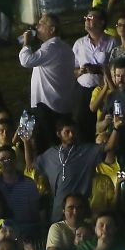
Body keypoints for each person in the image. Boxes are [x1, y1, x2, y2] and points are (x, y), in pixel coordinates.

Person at [19, 14, 76, 149]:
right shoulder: (64, 47)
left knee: (45, 145)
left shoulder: (51, 48)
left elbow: (26, 60)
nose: (37, 26)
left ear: (52, 30)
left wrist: (26, 42)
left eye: (42, 23)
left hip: (47, 106)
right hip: (61, 105)